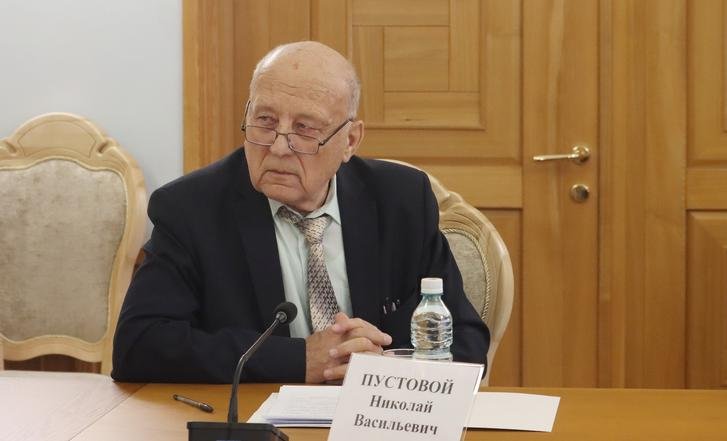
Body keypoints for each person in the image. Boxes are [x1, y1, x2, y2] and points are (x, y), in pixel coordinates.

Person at [112, 41, 489, 384]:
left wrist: (386, 368)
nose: (278, 147)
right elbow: (138, 346)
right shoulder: (191, 209)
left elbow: (465, 339)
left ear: (350, 140)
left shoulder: (400, 200)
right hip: (256, 419)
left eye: (305, 129)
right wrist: (299, 360)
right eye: (265, 121)